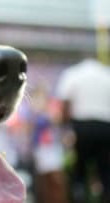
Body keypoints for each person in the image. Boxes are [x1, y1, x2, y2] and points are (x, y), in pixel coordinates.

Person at [56, 58, 110, 203]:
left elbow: (65, 105)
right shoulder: (106, 73)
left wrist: (64, 128)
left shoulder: (72, 73)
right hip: (105, 127)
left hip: (82, 127)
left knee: (79, 171)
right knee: (105, 172)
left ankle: (79, 196)